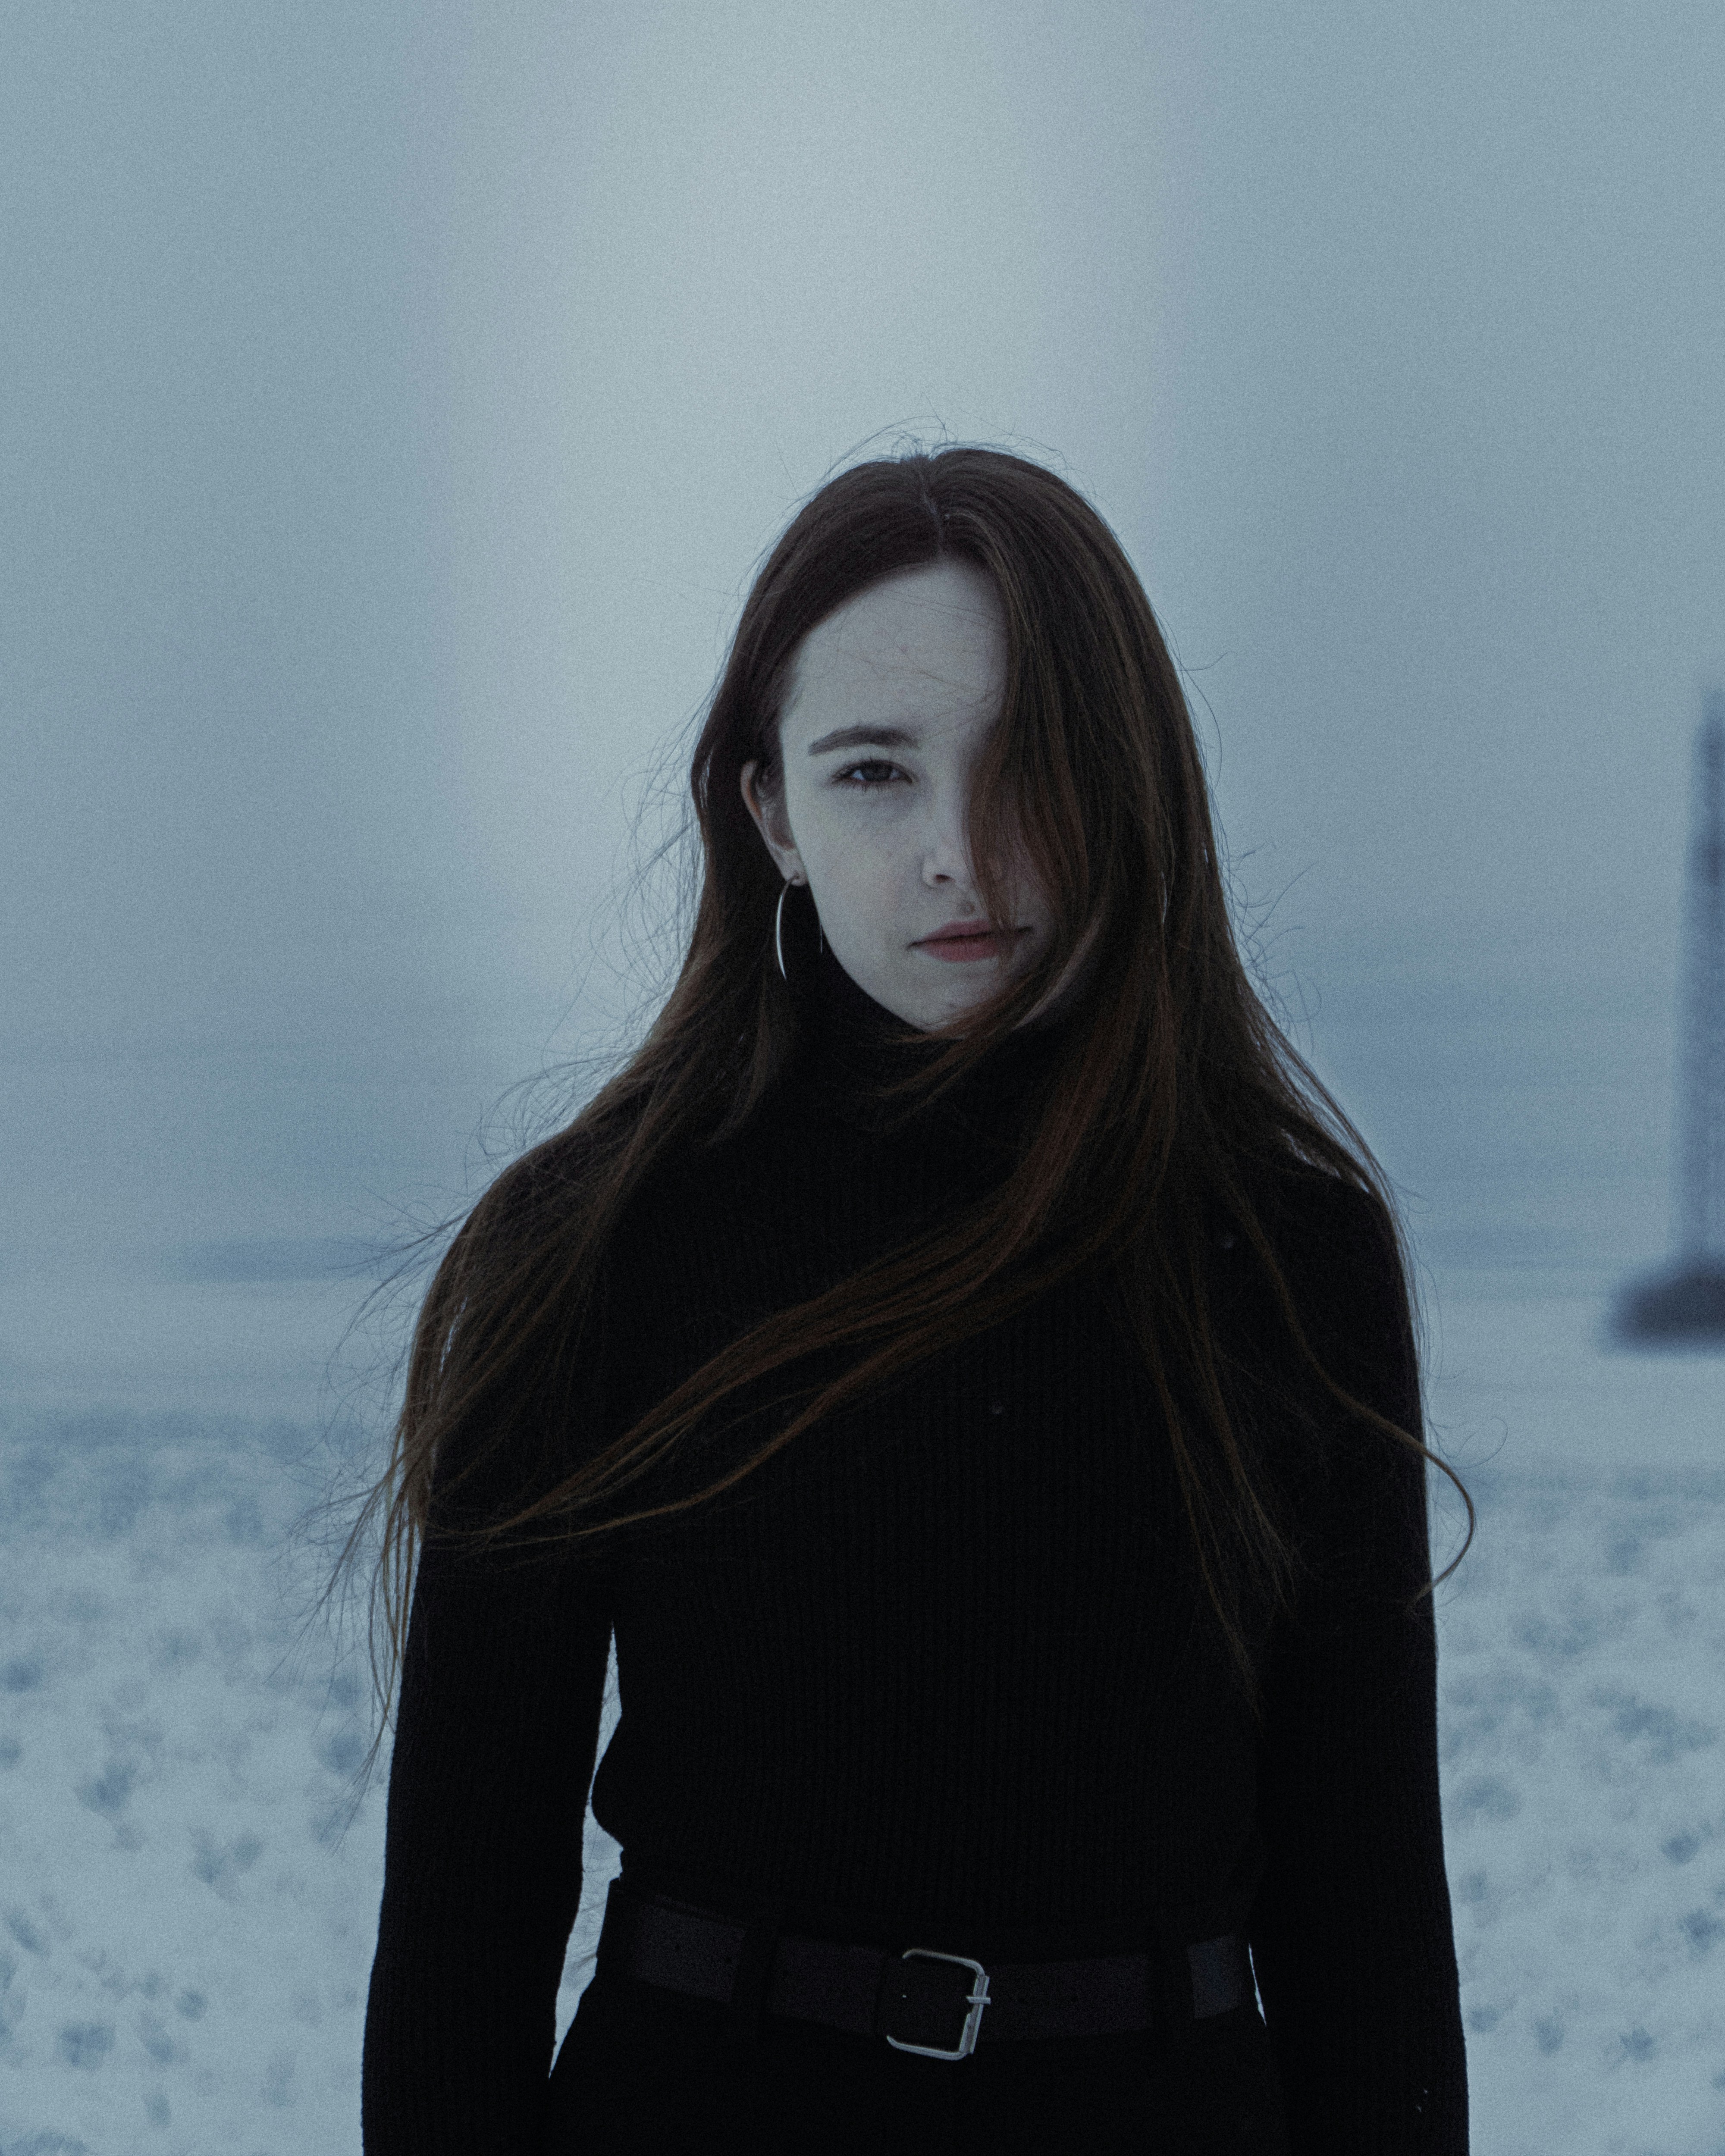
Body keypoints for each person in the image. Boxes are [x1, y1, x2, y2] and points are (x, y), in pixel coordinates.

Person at [354, 446, 1472, 2154]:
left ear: (1133, 781)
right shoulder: (586, 1247)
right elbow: (463, 1928)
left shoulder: (1287, 1249)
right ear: (771, 816)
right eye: (874, 771)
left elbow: (1366, 1920)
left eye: (1034, 762)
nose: (962, 849)